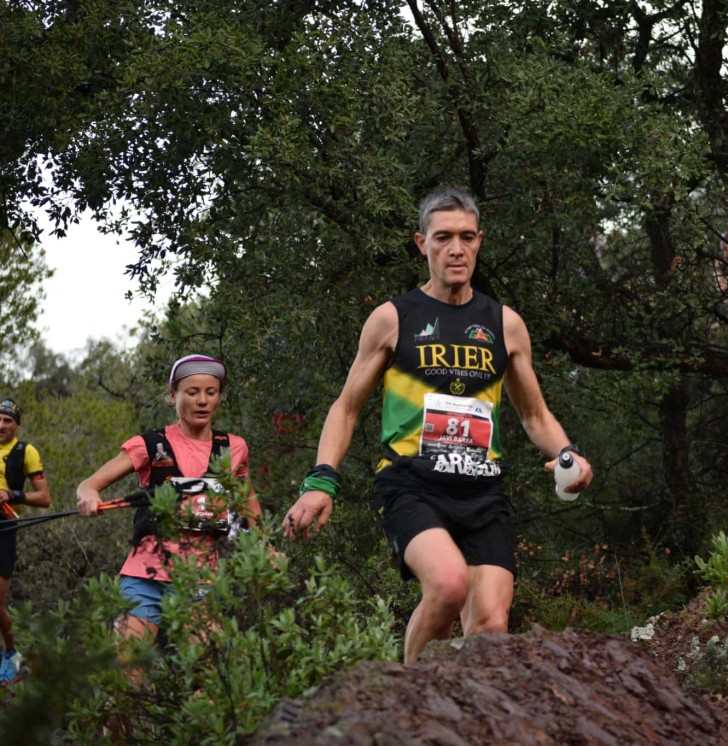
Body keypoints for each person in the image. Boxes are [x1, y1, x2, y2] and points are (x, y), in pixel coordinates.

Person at [284, 187, 594, 662]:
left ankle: (460, 721)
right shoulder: (393, 318)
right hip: (412, 484)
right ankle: (409, 705)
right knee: (448, 585)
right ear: (421, 243)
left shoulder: (504, 323)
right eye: (443, 237)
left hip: (482, 491)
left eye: (467, 237)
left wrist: (568, 455)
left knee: (491, 626)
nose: (456, 248)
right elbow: (346, 408)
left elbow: (534, 415)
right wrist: (321, 481)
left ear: (479, 242)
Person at [76, 355, 261, 640]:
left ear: (219, 397)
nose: (202, 400)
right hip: (143, 574)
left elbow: (251, 511)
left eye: (211, 393)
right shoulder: (150, 444)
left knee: (204, 674)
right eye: (192, 392)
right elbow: (90, 484)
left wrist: (266, 550)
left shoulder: (234, 448)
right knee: (128, 670)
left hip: (202, 577)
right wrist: (89, 495)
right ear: (173, 395)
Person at [0, 398, 51, 682]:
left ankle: (11, 654)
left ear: (16, 425)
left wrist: (12, 495)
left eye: (7, 420)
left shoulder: (25, 451)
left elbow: (44, 498)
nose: (1, 425)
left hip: (5, 526)